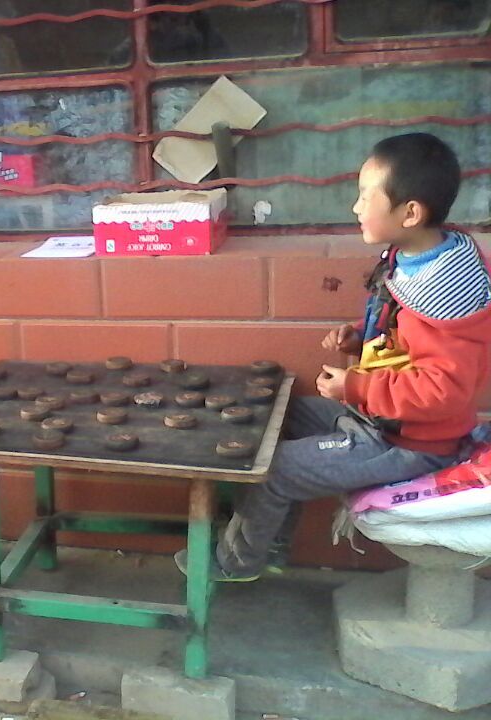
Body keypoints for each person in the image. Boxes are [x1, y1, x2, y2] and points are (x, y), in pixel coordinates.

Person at [177, 132, 491, 581]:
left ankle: (237, 562)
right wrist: (360, 337)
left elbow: (442, 391)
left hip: (407, 444)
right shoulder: (414, 255)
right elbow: (403, 335)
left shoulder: (447, 292)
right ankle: (272, 542)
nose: (356, 207)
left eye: (365, 196)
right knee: (275, 417)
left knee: (272, 470)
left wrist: (355, 385)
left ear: (410, 213)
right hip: (376, 418)